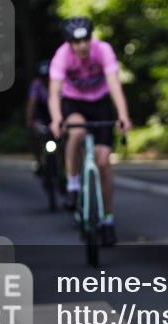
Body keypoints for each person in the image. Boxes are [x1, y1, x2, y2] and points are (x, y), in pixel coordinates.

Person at [48, 17, 132, 246]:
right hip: (74, 103)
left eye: (86, 40)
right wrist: (56, 119)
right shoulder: (62, 56)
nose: (82, 46)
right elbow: (54, 93)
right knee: (77, 132)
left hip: (100, 103)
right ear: (69, 43)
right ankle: (73, 184)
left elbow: (114, 84)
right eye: (77, 42)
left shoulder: (103, 50)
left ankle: (108, 220)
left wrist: (123, 115)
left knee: (103, 163)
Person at [26, 60, 52, 175]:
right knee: (36, 134)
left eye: (48, 76)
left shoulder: (59, 82)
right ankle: (37, 159)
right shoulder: (36, 85)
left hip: (55, 116)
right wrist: (30, 120)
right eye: (44, 77)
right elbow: (32, 103)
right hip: (41, 117)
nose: (46, 79)